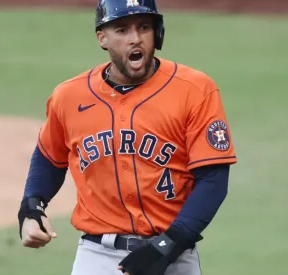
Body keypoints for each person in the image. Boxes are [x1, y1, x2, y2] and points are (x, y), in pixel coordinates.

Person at [16, 0, 237, 274]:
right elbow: (49, 156)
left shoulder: (195, 90)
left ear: (157, 33)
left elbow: (213, 180)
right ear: (102, 38)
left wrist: (169, 245)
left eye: (144, 27)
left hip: (175, 253)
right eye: (121, 30)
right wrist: (31, 207)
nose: (135, 39)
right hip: (97, 257)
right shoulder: (69, 96)